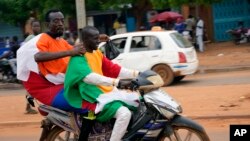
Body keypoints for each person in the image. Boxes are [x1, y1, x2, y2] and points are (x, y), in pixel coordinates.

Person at [17, 9, 111, 141]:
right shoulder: (44, 39)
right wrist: (70, 53)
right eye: (56, 21)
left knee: (99, 94)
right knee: (90, 105)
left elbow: (74, 48)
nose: (60, 23)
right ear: (47, 23)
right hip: (46, 89)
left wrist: (97, 38)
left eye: (62, 20)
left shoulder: (60, 41)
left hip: (59, 84)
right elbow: (38, 56)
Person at [64, 26, 140, 141]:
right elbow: (90, 78)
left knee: (137, 101)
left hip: (104, 90)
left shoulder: (97, 52)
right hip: (90, 95)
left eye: (98, 38)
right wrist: (117, 82)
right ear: (85, 40)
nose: (98, 41)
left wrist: (137, 74)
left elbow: (113, 69)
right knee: (124, 114)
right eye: (95, 39)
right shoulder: (78, 57)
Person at [23, 19, 41, 114]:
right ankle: (28, 106)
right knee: (32, 87)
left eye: (38, 26)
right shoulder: (30, 38)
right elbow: (25, 52)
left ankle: (28, 105)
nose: (36, 28)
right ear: (31, 27)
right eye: (34, 26)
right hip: (31, 66)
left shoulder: (41, 37)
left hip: (38, 66)